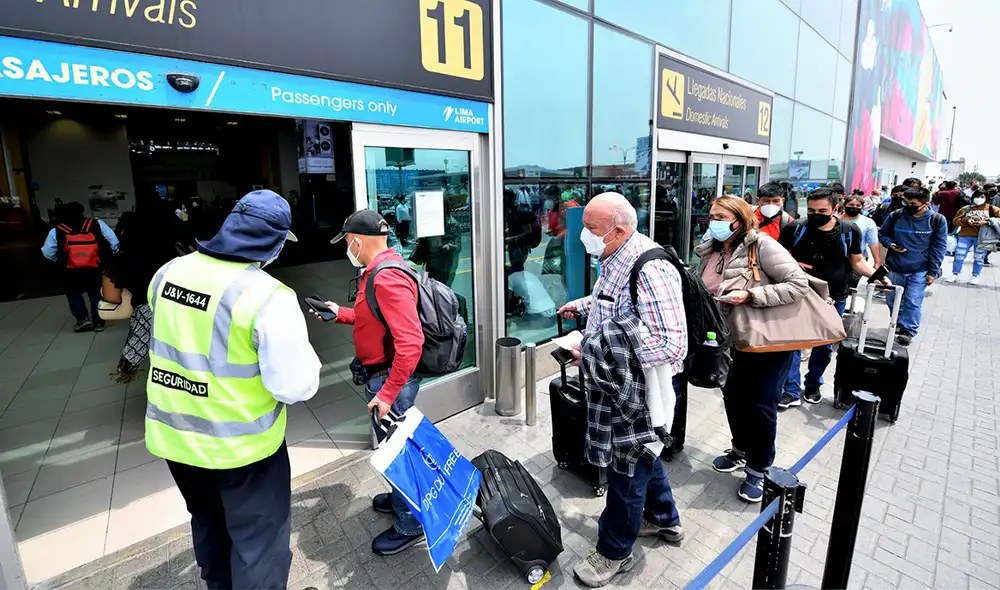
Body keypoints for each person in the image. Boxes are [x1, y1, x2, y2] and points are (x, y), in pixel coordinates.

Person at [145, 190, 319, 590]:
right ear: (273, 244)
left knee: (208, 523)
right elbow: (294, 386)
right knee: (259, 546)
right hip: (242, 450)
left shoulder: (167, 272)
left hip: (177, 442)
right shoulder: (268, 297)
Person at [555, 193, 687, 588]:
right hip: (621, 387)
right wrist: (583, 307)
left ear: (620, 229)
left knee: (626, 470)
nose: (584, 236)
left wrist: (592, 352)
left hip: (640, 393)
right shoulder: (616, 255)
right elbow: (612, 302)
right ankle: (664, 520)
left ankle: (614, 552)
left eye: (591, 229)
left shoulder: (649, 268)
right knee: (645, 455)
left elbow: (671, 343)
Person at [313, 209, 427, 556]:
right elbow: (371, 317)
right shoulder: (377, 270)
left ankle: (410, 524)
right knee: (395, 449)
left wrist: (388, 394)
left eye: (348, 243)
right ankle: (398, 501)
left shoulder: (385, 277)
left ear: (357, 241)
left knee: (399, 454)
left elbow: (410, 343)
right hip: (384, 378)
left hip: (389, 381)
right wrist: (341, 313)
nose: (348, 249)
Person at [695, 196, 809, 501]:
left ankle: (758, 469)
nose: (713, 221)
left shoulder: (762, 246)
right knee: (733, 398)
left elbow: (798, 284)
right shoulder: (712, 249)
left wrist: (750, 296)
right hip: (730, 341)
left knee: (760, 406)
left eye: (720, 216)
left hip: (766, 341)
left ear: (740, 218)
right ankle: (741, 449)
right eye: (711, 215)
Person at [778, 188, 883, 408]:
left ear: (836, 208)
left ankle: (814, 384)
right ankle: (790, 389)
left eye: (822, 210)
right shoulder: (794, 228)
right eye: (812, 210)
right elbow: (778, 259)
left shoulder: (849, 230)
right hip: (799, 294)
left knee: (824, 345)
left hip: (834, 297)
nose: (816, 214)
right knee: (793, 342)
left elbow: (856, 262)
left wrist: (878, 275)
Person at [109, 200, 191, 383]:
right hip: (178, 309)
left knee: (158, 351)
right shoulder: (177, 254)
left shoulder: (125, 256)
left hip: (145, 311)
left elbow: (111, 296)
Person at [879, 186, 947, 345]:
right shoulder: (896, 216)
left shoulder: (936, 220)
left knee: (913, 300)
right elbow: (883, 234)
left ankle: (908, 330)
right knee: (892, 300)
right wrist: (891, 245)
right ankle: (898, 323)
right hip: (895, 267)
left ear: (925, 203)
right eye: (906, 202)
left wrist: (933, 271)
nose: (908, 206)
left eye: (913, 203)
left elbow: (939, 246)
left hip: (919, 270)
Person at [41, 201, 120, 332]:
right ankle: (99, 322)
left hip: (70, 269)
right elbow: (114, 241)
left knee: (73, 293)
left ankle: (82, 320)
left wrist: (58, 260)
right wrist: (110, 258)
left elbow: (47, 252)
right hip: (95, 266)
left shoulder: (57, 230)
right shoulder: (96, 224)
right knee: (96, 293)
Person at [947, 190, 1000, 285]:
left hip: (983, 237)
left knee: (979, 257)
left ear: (986, 198)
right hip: (964, 236)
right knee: (959, 255)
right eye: (977, 196)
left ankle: (975, 276)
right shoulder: (965, 209)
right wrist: (966, 221)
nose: (979, 199)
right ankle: (955, 274)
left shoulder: (992, 209)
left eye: (982, 197)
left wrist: (987, 222)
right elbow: (955, 221)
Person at [840, 193, 882, 273]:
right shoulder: (836, 220)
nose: (854, 207)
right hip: (837, 261)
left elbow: (873, 243)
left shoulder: (868, 222)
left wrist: (877, 262)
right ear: (845, 205)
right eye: (851, 205)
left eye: (858, 205)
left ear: (862, 207)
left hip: (859, 261)